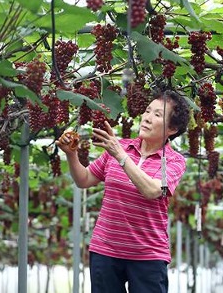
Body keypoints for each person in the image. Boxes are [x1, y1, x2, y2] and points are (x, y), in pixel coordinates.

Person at [57, 90, 190, 293]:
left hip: (149, 255)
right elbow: (84, 180)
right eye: (147, 111)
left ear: (172, 128)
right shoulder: (120, 147)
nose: (146, 118)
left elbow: (153, 190)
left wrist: (120, 156)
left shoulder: (172, 160)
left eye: (157, 115)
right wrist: (72, 155)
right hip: (105, 250)